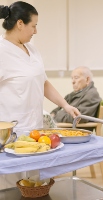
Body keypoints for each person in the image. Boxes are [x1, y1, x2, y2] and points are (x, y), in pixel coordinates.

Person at [0, 1, 79, 188]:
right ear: (20, 23)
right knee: (11, 186)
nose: (35, 31)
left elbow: (43, 83)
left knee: (34, 183)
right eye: (33, 26)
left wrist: (66, 105)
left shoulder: (32, 50)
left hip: (34, 129)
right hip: (11, 132)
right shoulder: (2, 52)